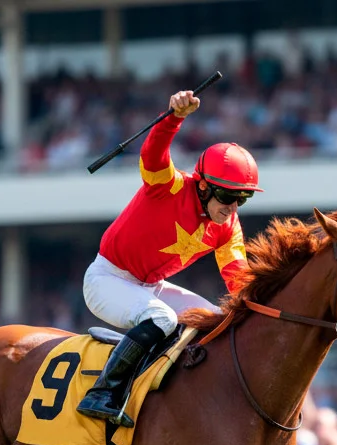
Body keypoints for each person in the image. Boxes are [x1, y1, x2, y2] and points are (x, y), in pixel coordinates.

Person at [77, 89, 262, 426]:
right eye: (227, 196)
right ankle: (102, 393)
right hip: (107, 279)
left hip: (151, 286)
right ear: (203, 185)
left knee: (219, 321)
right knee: (162, 319)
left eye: (242, 200)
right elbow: (152, 154)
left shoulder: (228, 227)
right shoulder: (169, 186)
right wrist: (174, 118)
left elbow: (239, 279)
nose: (232, 208)